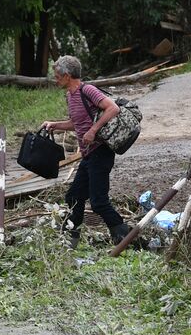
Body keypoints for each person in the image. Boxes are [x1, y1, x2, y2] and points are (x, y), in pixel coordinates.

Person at [41, 55, 130, 247]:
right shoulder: (70, 96)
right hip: (88, 154)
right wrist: (54, 125)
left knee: (98, 202)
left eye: (57, 76)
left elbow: (113, 108)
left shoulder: (87, 90)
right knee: (73, 197)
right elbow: (76, 123)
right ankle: (71, 241)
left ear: (67, 76)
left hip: (101, 151)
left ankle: (126, 237)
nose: (56, 80)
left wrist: (93, 130)